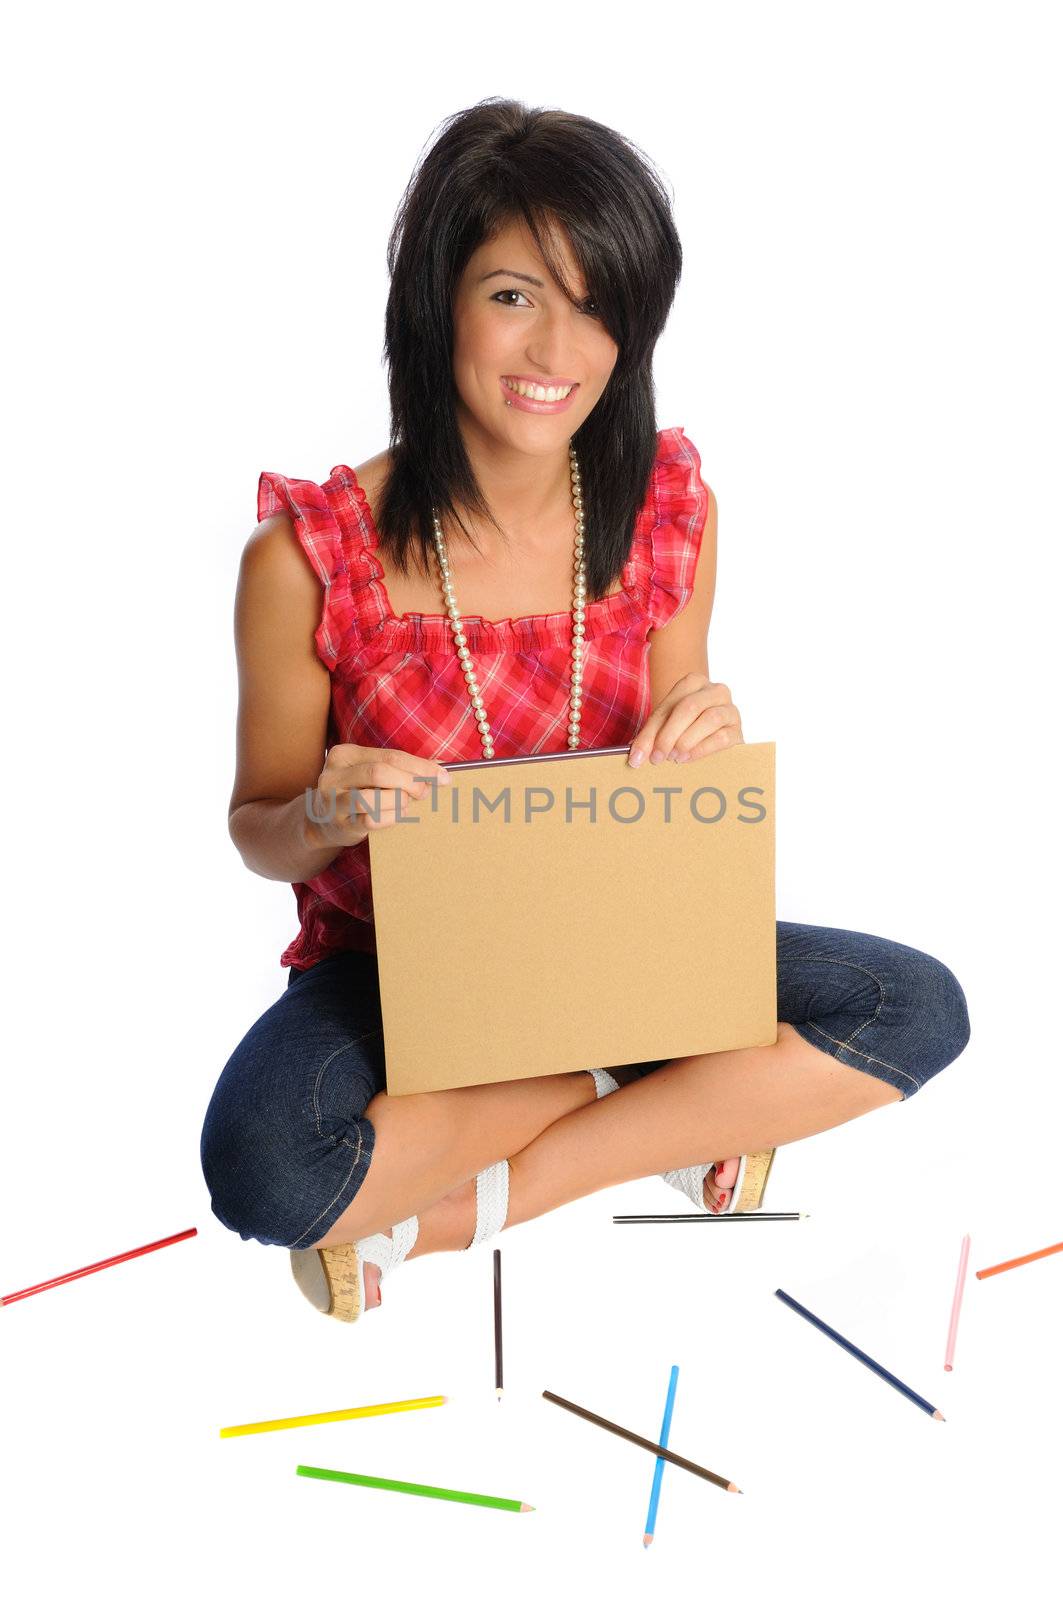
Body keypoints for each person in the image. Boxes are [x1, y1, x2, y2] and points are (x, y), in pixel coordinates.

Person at [199, 97, 971, 1321]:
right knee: (263, 1164)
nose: (556, 347)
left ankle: (462, 1213)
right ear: (436, 300)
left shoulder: (670, 510)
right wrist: (326, 810)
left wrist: (697, 734)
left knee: (913, 1004)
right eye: (513, 294)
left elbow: (669, 796)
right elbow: (256, 828)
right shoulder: (306, 555)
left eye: (596, 301)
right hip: (398, 970)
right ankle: (659, 1102)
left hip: (622, 951)